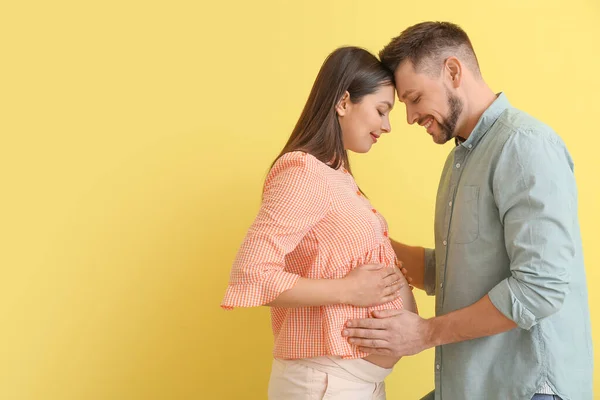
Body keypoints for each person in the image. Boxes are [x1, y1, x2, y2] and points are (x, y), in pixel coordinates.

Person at [342, 22, 593, 400]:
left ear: (453, 72)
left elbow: (539, 288)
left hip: (526, 388)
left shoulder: (524, 147)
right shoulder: (461, 159)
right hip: (474, 387)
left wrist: (424, 333)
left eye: (413, 98)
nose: (409, 118)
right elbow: (457, 272)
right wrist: (366, 237)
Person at [221, 46, 416, 400]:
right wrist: (350, 290)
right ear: (343, 102)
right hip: (325, 384)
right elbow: (251, 273)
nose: (387, 126)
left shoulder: (336, 175)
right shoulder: (303, 171)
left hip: (355, 382)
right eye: (381, 111)